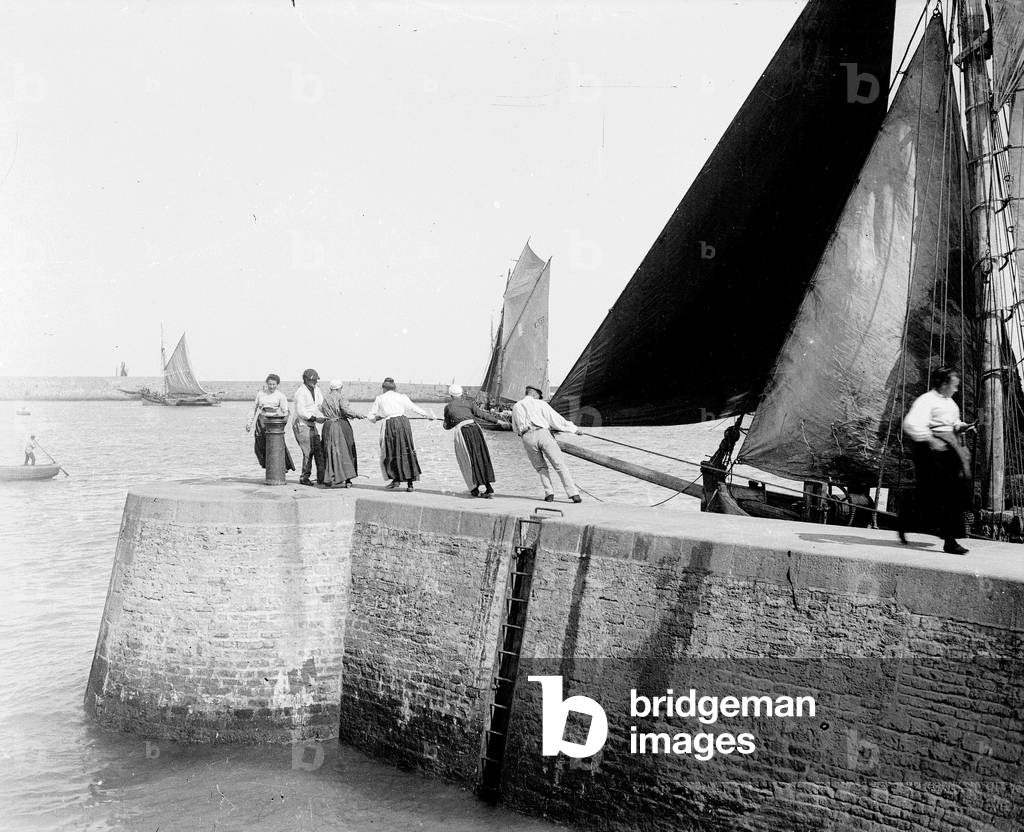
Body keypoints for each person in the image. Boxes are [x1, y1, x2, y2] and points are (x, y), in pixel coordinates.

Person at [899, 366, 974, 555]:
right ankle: (950, 541)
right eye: (954, 385)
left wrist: (962, 426)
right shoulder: (926, 400)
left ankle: (906, 519)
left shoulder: (950, 402)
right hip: (930, 450)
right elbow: (910, 423)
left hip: (948, 448)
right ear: (943, 384)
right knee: (945, 493)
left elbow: (952, 423)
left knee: (948, 492)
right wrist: (930, 439)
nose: (956, 389)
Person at [511, 384, 583, 503]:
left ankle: (549, 494)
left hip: (527, 437)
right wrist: (575, 430)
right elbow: (556, 419)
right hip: (543, 433)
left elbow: (515, 428)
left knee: (541, 468)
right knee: (559, 465)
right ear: (534, 394)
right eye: (539, 396)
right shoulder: (541, 404)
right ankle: (574, 494)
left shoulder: (516, 406)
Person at [366, 377, 435, 491]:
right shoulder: (402, 397)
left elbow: (371, 416)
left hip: (390, 425)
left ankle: (396, 479)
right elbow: (414, 407)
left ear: (383, 388)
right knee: (406, 451)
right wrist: (427, 415)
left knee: (391, 452)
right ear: (394, 388)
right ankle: (409, 484)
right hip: (403, 423)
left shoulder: (380, 398)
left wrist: (376, 418)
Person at [443, 384, 495, 498]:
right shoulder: (469, 403)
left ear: (451, 395)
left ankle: (474, 489)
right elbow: (482, 414)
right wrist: (498, 422)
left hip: (463, 432)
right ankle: (488, 487)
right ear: (462, 393)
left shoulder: (448, 407)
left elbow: (446, 426)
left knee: (466, 459)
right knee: (481, 457)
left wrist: (453, 420)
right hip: (476, 429)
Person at [245, 374, 295, 474]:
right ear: (267, 384)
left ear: (277, 384)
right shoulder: (260, 394)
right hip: (262, 420)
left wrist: (282, 425)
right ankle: (266, 465)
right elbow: (253, 409)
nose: (272, 386)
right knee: (259, 444)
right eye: (270, 384)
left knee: (276, 444)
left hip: (274, 421)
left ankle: (282, 466)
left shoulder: (281, 396)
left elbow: (286, 412)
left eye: (274, 384)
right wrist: (249, 423)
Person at [321, 380, 364, 488]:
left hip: (328, 425)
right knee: (346, 451)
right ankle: (347, 480)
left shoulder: (325, 398)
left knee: (330, 451)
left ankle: (330, 478)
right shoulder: (341, 397)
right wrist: (357, 415)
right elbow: (345, 410)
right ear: (340, 388)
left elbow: (322, 410)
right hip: (340, 426)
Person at [293, 369, 326, 487]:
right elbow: (301, 412)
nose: (315, 382)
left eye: (316, 379)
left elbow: (321, 405)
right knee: (308, 451)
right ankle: (304, 477)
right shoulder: (300, 392)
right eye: (313, 379)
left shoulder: (317, 390)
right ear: (306, 379)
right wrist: (316, 419)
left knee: (318, 450)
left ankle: (322, 477)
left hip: (313, 425)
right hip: (302, 424)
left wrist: (327, 414)